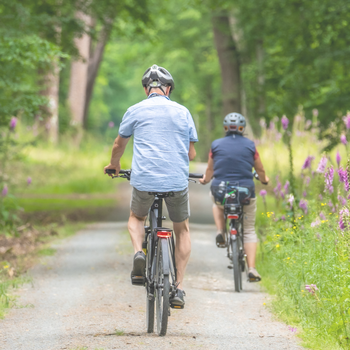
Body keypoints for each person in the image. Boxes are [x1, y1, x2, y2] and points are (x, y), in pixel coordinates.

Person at [104, 64, 198, 307]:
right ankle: (178, 288)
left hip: (144, 179)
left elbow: (118, 144)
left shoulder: (135, 110)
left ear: (147, 89)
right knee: (182, 229)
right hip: (176, 180)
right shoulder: (183, 112)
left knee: (136, 217)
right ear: (168, 89)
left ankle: (139, 253)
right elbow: (191, 153)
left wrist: (115, 165)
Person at [199, 113, 268, 281]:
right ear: (242, 128)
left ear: (225, 128)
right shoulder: (250, 145)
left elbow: (210, 170)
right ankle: (251, 268)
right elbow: (260, 170)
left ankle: (221, 231)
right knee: (249, 230)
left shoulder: (216, 145)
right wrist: (265, 180)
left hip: (221, 191)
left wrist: (205, 180)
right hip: (245, 192)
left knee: (216, 203)